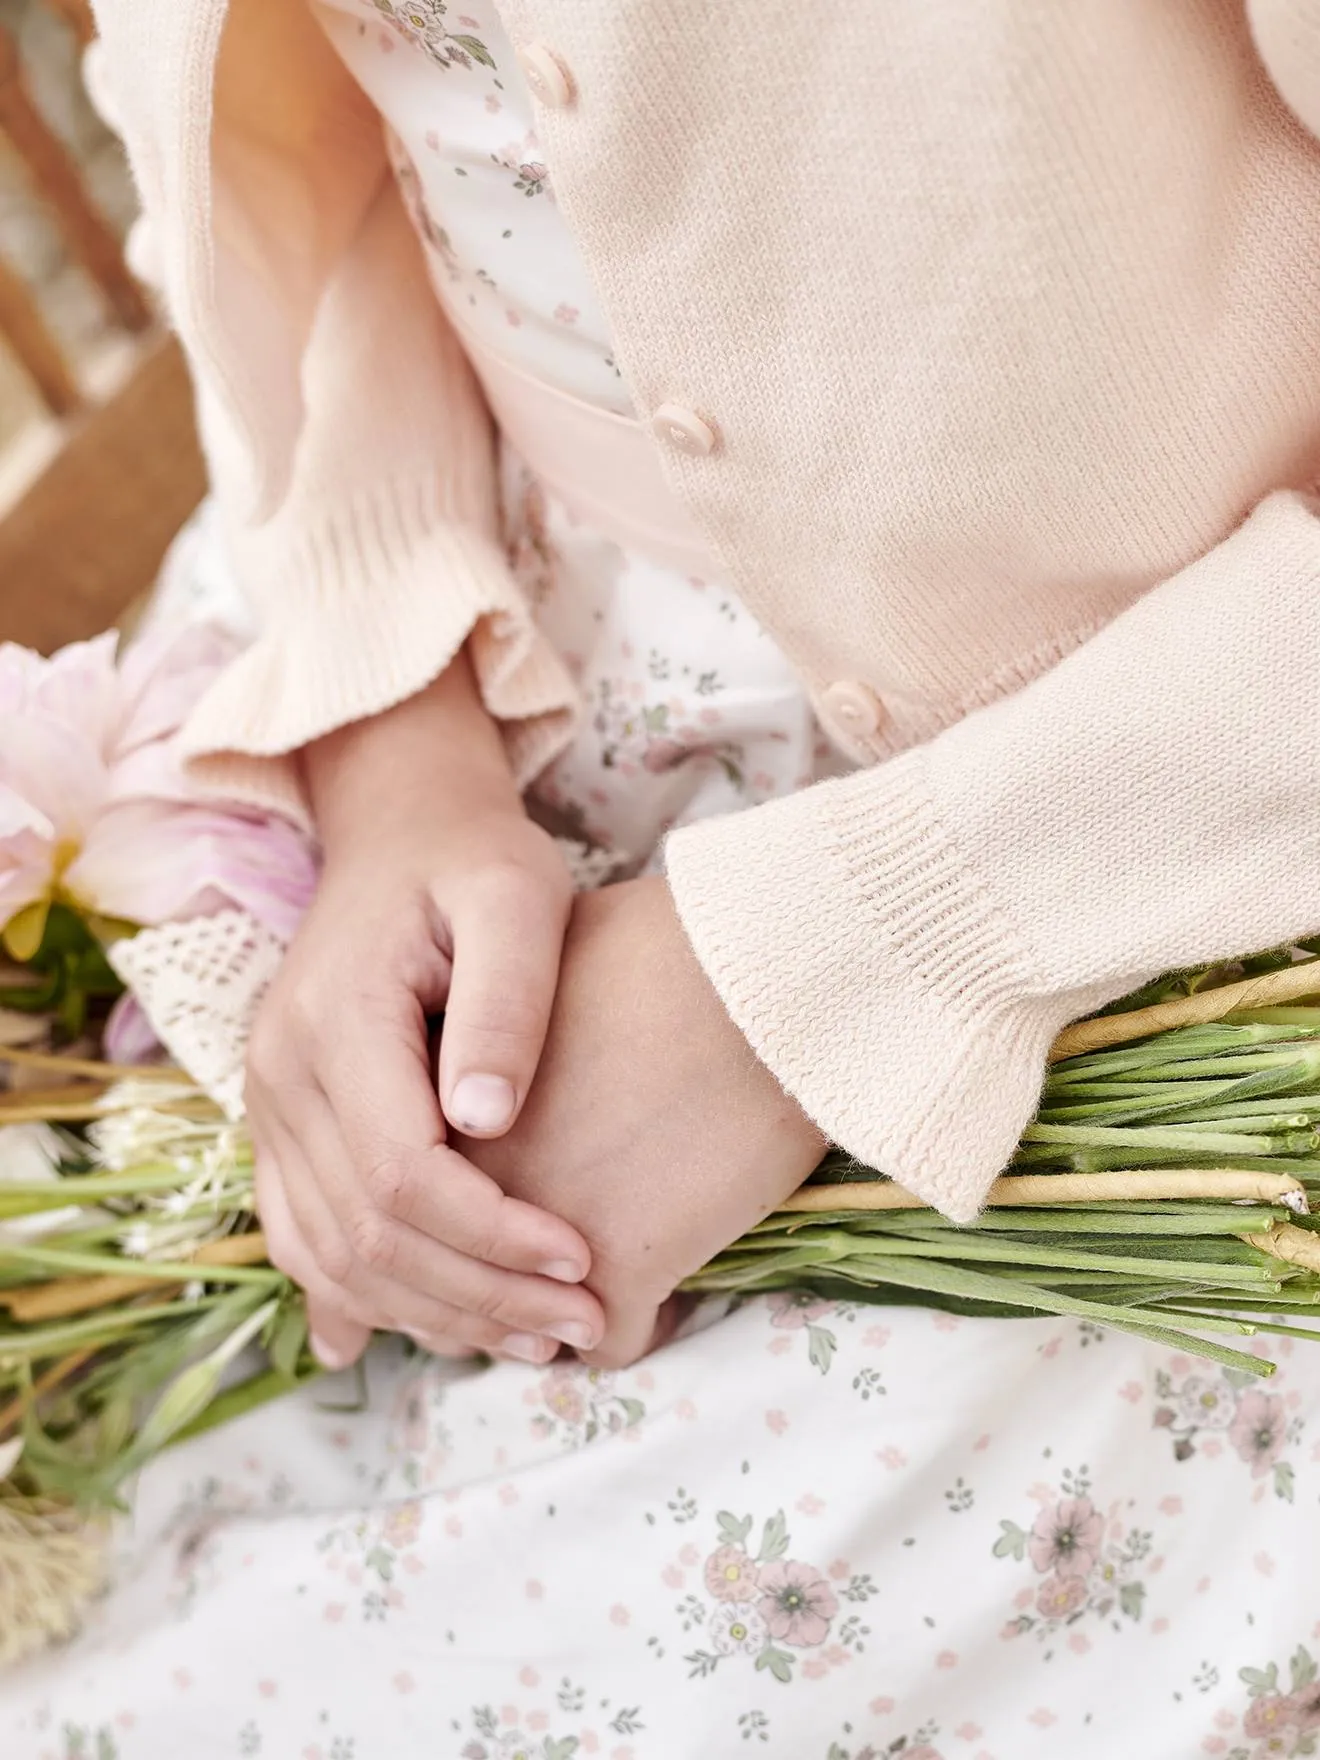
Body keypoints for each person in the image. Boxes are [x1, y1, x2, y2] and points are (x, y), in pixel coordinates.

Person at [9, 0, 1320, 1753]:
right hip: (459, 640)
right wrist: (396, 742)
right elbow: (362, 173)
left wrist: (841, 949)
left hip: (1163, 798)